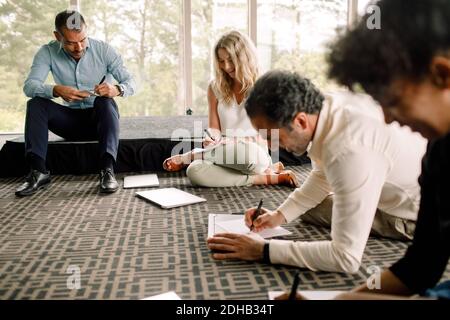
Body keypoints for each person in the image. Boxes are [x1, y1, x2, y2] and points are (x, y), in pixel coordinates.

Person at [207, 70, 427, 274]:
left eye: (275, 138)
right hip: (382, 180)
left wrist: (264, 250)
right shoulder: (328, 106)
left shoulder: (348, 150)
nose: (272, 147)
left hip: (414, 218)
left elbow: (345, 257)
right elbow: (323, 176)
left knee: (323, 211)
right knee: (309, 209)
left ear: (300, 121)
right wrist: (278, 216)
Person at [313, 0, 449, 298]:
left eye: (393, 101)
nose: (387, 118)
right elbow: (421, 266)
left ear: (442, 74)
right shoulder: (438, 155)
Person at [15, 10, 136, 197]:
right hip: (68, 122)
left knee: (105, 102)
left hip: (99, 120)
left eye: (82, 40)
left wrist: (117, 89)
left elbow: (132, 82)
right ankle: (38, 172)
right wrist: (55, 90)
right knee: (36, 103)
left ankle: (107, 170)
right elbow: (29, 86)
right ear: (57, 36)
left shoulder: (104, 50)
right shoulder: (46, 52)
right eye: (71, 43)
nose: (79, 47)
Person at [163, 31, 298, 188]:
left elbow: (271, 137)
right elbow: (215, 128)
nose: (226, 67)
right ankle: (268, 178)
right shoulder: (214, 87)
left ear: (245, 57)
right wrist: (212, 138)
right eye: (221, 61)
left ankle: (191, 155)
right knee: (194, 171)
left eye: (230, 60)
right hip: (223, 152)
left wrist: (234, 141)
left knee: (248, 157)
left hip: (253, 153)